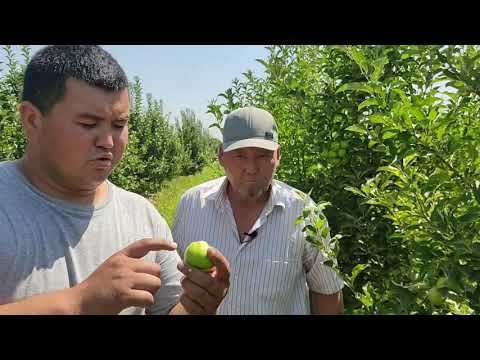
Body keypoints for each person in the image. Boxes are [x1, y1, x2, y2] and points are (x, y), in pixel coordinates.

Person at [0, 45, 230, 315]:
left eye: (119, 125)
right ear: (32, 120)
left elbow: (168, 310)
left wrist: (197, 305)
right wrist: (80, 301)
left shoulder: (142, 215)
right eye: (88, 124)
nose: (108, 142)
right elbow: (83, 302)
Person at [172, 106, 344, 315]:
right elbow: (173, 287)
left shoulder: (304, 211)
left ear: (278, 155)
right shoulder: (191, 205)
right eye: (240, 155)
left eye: (263, 155)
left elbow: (326, 292)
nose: (251, 168)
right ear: (221, 155)